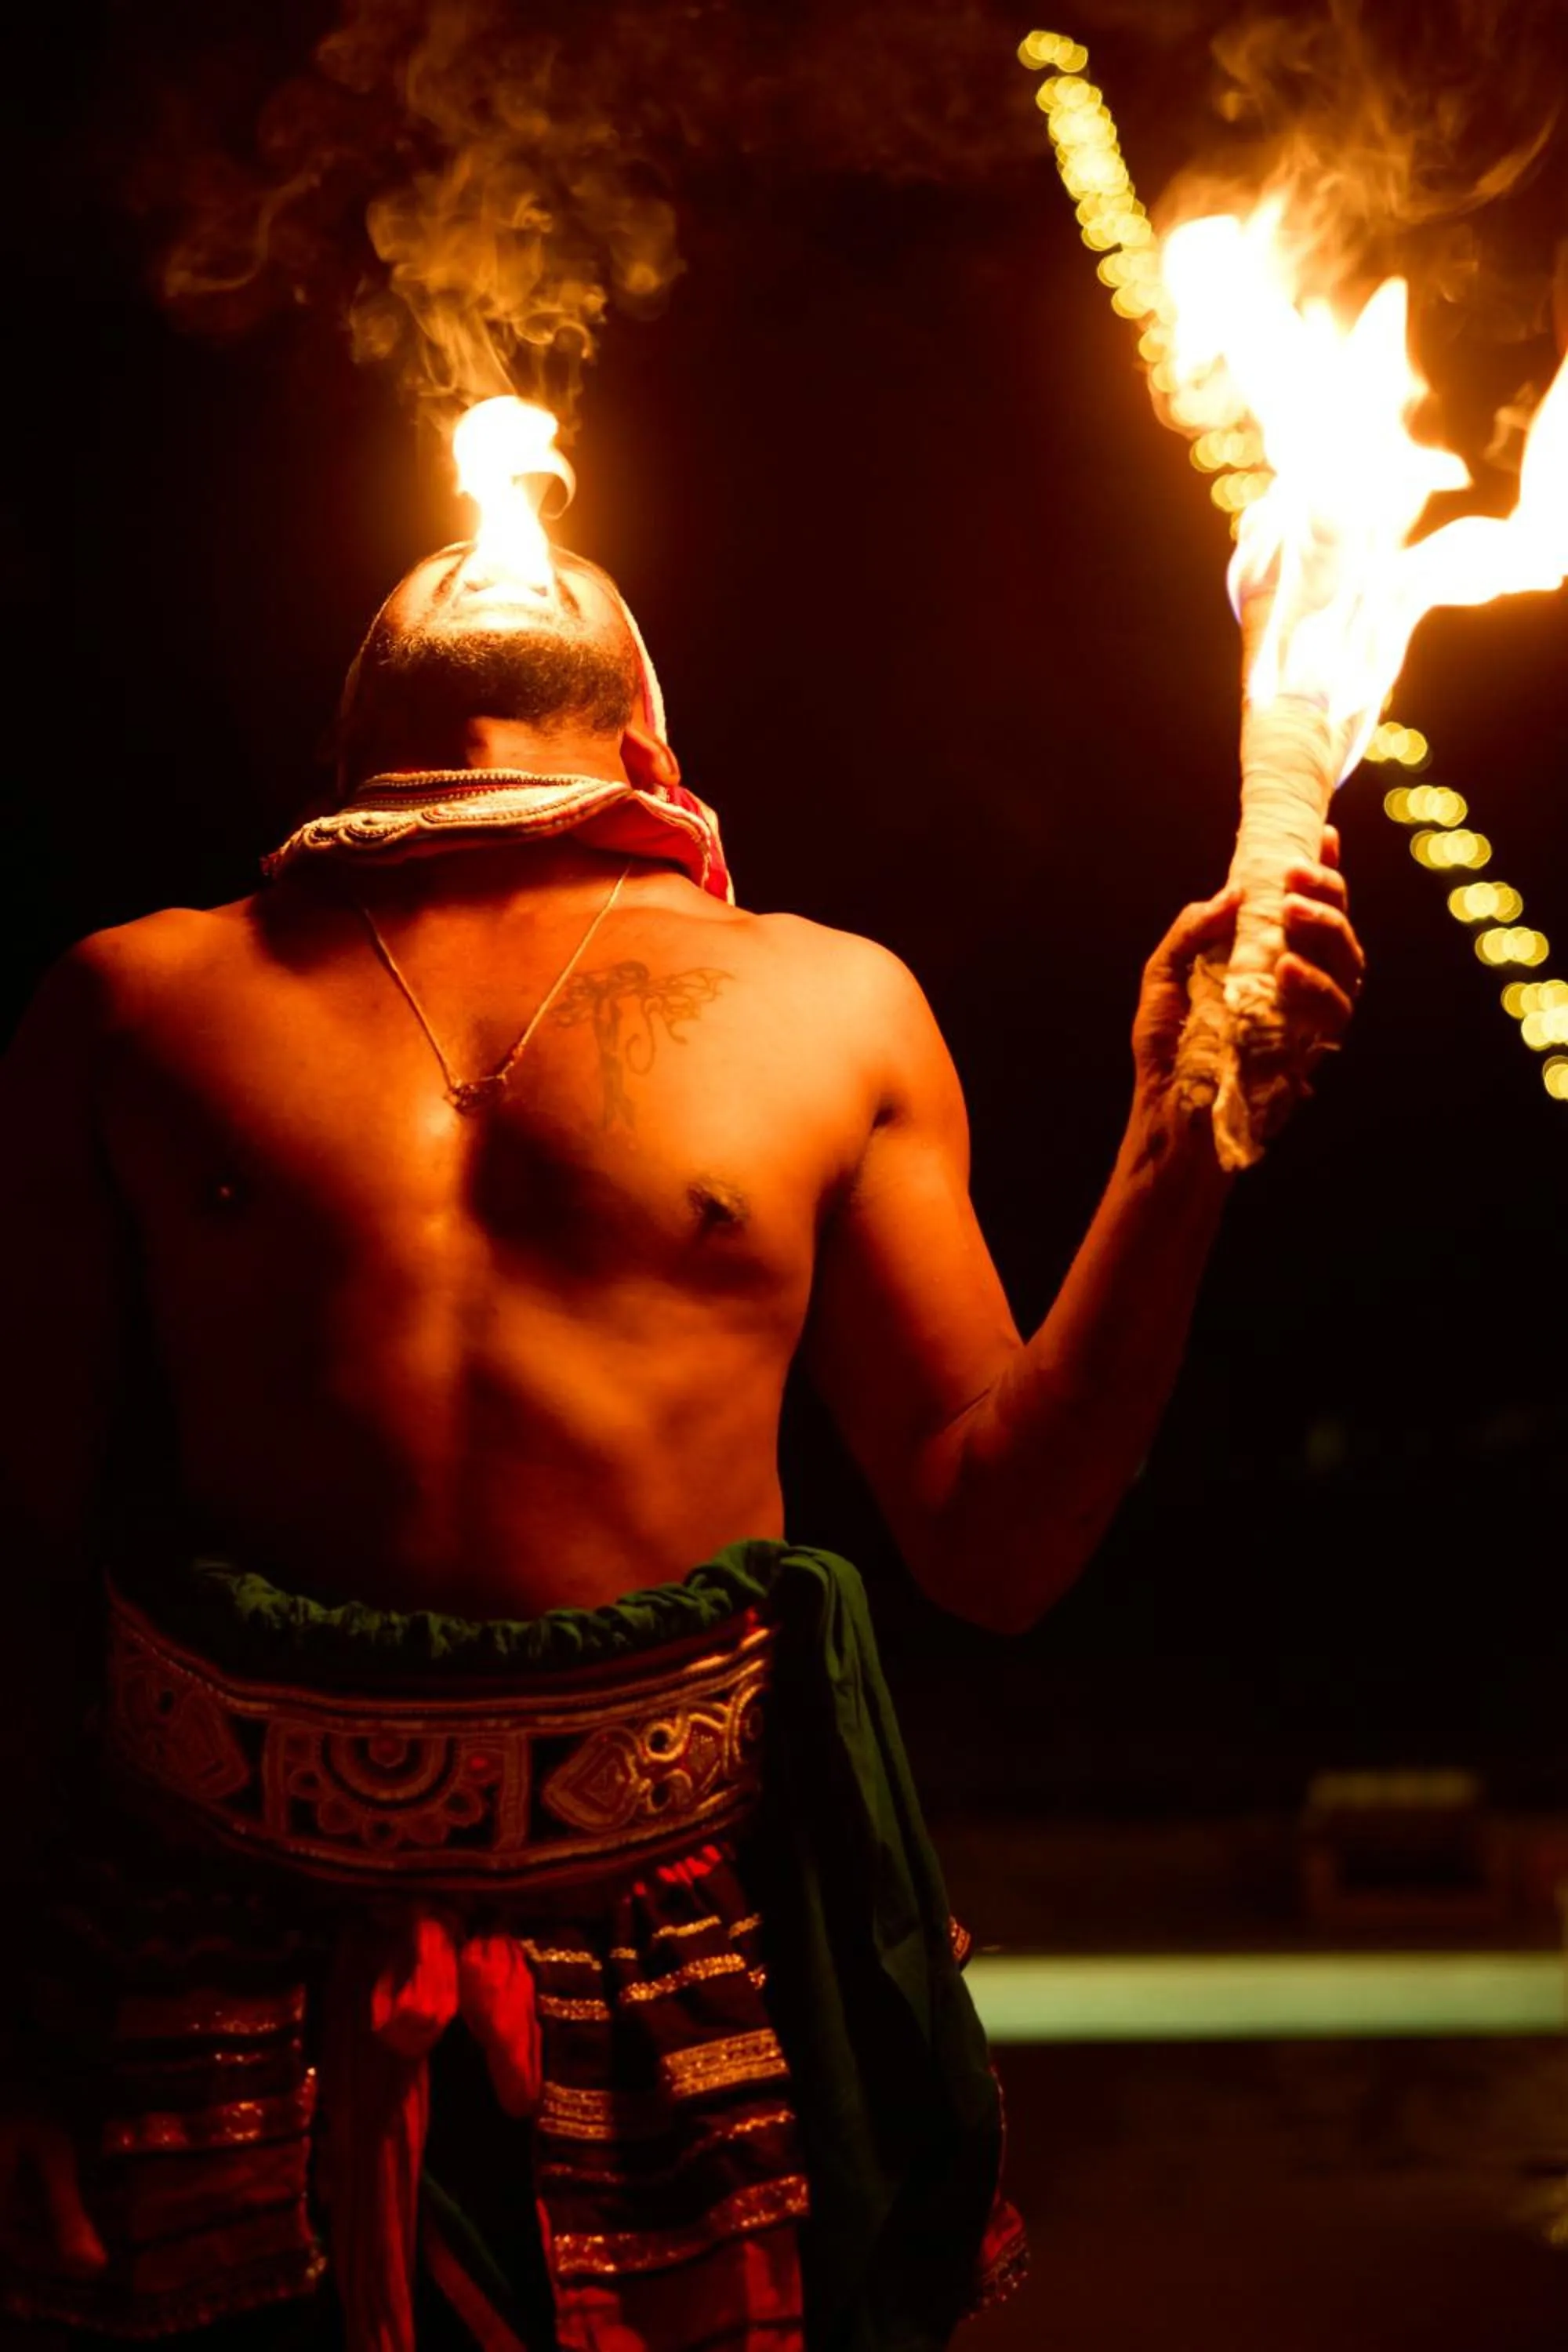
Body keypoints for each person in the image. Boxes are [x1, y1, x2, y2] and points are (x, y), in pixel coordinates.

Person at [0, 537, 1363, 2350]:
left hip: (671, 1964)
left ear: (655, 749)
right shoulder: (132, 1002)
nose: (512, 528)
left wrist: (1179, 1141)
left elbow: (996, 1540)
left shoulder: (828, 1002)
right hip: (205, 1961)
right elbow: (11, 1559)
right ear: (346, 741)